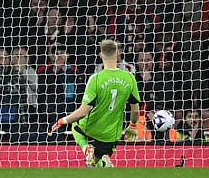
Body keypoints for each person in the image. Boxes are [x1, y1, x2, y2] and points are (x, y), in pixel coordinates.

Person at [48, 39, 141, 168]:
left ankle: (87, 148)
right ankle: (103, 159)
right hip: (112, 134)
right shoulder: (130, 77)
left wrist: (62, 121)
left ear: (100, 55)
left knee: (75, 125)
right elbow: (135, 109)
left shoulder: (96, 78)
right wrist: (133, 126)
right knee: (97, 162)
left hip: (91, 128)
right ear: (117, 54)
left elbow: (82, 112)